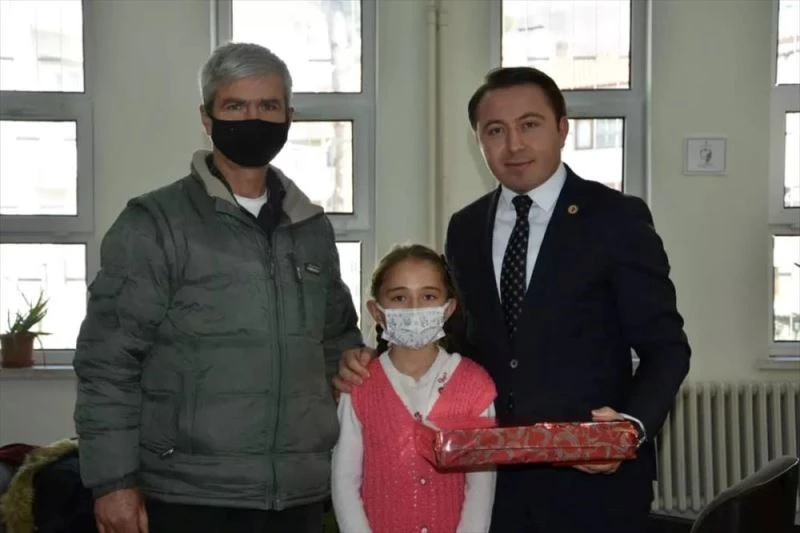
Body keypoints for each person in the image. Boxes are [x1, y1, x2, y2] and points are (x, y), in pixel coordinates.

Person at [335, 67, 691, 533]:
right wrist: (376, 360)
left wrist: (629, 428)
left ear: (562, 128)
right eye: (495, 131)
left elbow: (667, 348)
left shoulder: (616, 219)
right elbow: (456, 338)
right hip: (492, 487)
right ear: (479, 140)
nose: (514, 145)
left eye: (530, 124)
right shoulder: (465, 228)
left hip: (592, 482)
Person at [73, 42, 364, 533]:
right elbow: (108, 362)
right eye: (235, 106)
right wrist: (113, 482)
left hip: (299, 493)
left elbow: (337, 341)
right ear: (207, 118)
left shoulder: (311, 227)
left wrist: (354, 363)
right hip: (189, 494)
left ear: (289, 117)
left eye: (268, 106)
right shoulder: (155, 223)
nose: (253, 119)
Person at [332, 244, 497, 533]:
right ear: (377, 312)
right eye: (399, 297)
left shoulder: (475, 386)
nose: (414, 308)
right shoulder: (359, 386)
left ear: (449, 308)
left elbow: (481, 487)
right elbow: (344, 480)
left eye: (428, 296)